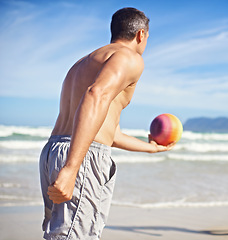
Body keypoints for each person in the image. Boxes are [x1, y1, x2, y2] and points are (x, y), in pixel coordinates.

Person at [39, 7, 175, 240]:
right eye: (148, 38)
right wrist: (72, 168)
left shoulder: (83, 62)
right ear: (141, 35)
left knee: (60, 234)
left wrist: (152, 147)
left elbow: (109, 133)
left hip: (53, 151)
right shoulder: (130, 58)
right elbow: (96, 95)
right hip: (81, 154)